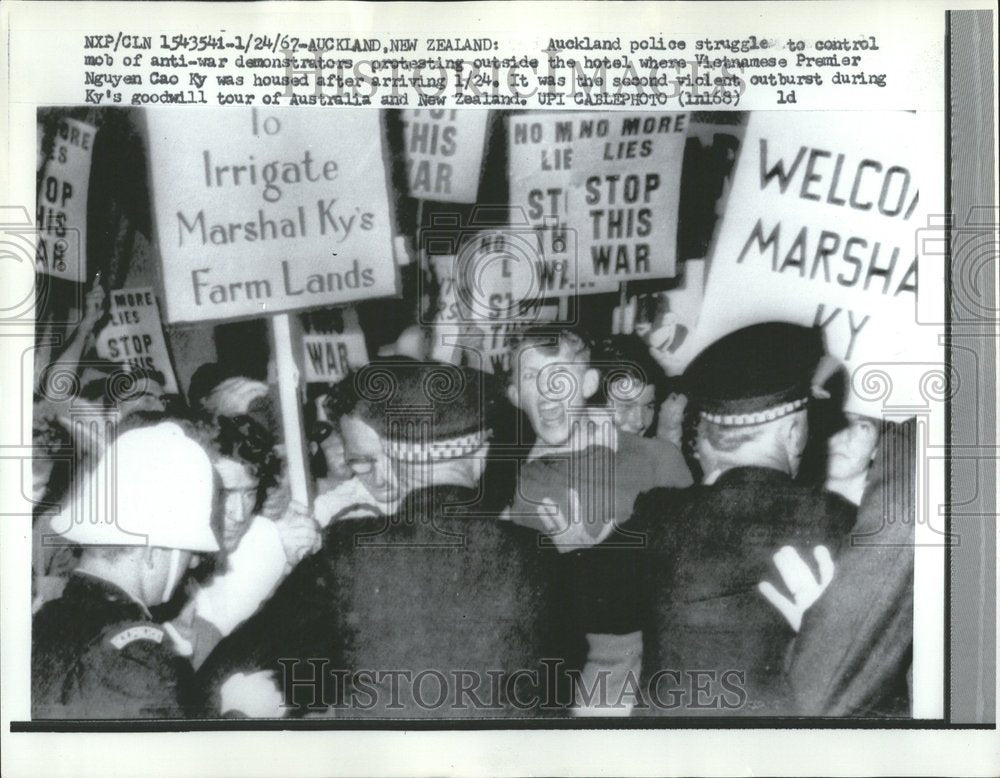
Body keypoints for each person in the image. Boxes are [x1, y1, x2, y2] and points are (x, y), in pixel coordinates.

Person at [197, 361, 565, 718]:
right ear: (481, 455)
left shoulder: (348, 549)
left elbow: (239, 658)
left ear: (391, 458)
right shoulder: (537, 555)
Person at [577, 322, 857, 716]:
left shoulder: (660, 517)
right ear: (794, 433)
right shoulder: (841, 524)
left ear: (703, 437)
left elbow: (585, 603)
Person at [32, 422, 220, 718]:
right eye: (188, 551)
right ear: (152, 551)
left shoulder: (43, 619)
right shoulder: (136, 655)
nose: (193, 562)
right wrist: (240, 712)